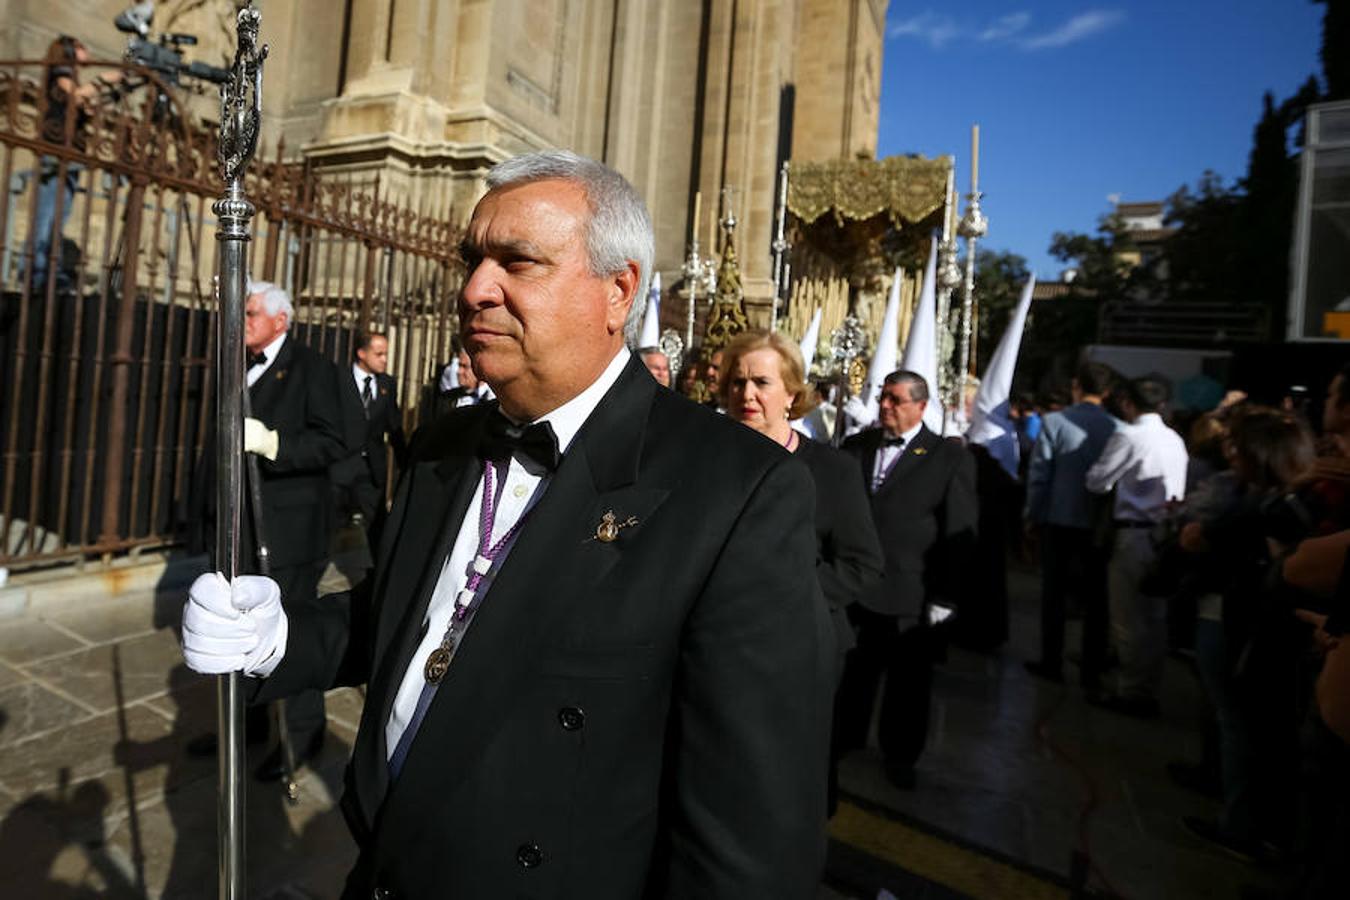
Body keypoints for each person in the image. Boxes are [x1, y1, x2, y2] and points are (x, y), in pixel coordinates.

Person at [180, 150, 832, 898]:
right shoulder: (443, 446)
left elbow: (750, 841)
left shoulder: (739, 492)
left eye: (517, 262)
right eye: (471, 260)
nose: (473, 290)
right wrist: (281, 637)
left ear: (617, 293)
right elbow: (414, 620)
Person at [718, 330, 883, 813]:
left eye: (762, 383)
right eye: (737, 382)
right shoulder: (707, 460)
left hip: (799, 648)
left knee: (793, 777)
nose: (746, 395)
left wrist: (782, 596)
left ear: (792, 393)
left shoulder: (833, 471)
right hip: (719, 646)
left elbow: (863, 565)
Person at [837, 370, 977, 789]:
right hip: (855, 587)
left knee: (908, 684)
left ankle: (901, 755)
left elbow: (960, 530)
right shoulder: (855, 447)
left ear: (920, 405)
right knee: (852, 671)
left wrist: (946, 595)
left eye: (895, 400)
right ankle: (845, 736)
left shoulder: (947, 456)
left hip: (911, 592)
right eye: (883, 397)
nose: (885, 406)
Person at [235, 281, 346, 779]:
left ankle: (300, 736)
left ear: (280, 320)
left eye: (253, 313)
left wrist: (274, 443)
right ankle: (248, 724)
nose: (244, 320)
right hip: (242, 525)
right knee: (242, 634)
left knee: (289, 631)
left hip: (293, 531)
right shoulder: (235, 366)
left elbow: (336, 440)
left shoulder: (313, 369)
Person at [1085, 375, 1188, 717]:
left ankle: (1132, 691)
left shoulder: (1129, 435)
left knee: (1128, 618)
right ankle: (1146, 687)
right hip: (1166, 534)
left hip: (1134, 533)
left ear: (1129, 402)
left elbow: (1098, 481)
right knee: (1155, 619)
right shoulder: (1175, 439)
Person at [1023, 361, 1120, 687]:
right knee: (1096, 598)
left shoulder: (1054, 422)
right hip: (1098, 524)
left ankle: (1052, 659)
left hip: (1058, 518)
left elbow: (1040, 475)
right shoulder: (1116, 428)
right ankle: (1092, 666)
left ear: (1077, 386)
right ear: (1106, 392)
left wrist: (1032, 515)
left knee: (1054, 594)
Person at [31, 36, 117, 292]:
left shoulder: (69, 75)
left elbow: (80, 102)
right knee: (46, 216)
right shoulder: (61, 70)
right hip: (56, 152)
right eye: (81, 47)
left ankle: (48, 271)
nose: (87, 50)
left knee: (58, 216)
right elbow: (76, 96)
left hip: (68, 155)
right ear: (69, 50)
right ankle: (37, 273)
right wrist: (105, 79)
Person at [332, 331, 409, 529]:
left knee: (375, 525)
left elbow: (394, 425)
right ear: (362, 353)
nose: (384, 359)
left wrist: (406, 462)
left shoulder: (387, 384)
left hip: (372, 469)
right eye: (379, 354)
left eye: (386, 354)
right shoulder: (338, 378)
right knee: (334, 522)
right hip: (341, 465)